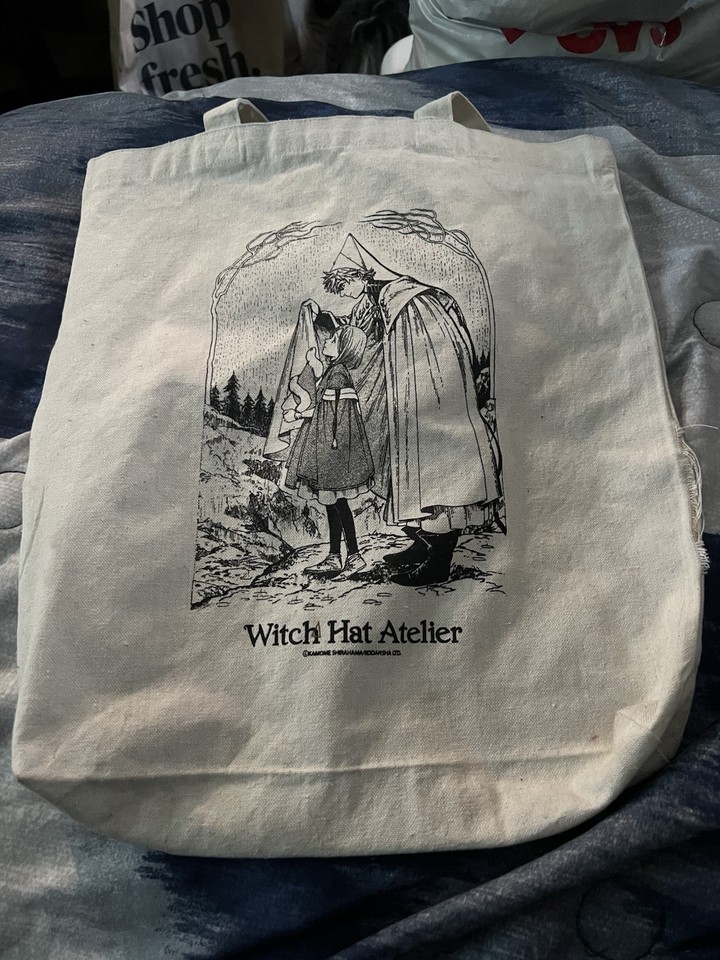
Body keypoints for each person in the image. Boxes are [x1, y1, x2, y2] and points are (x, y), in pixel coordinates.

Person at [318, 235, 502, 588]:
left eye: (344, 286)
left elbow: (425, 354)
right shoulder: (377, 302)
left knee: (432, 465)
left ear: (361, 276)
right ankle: (423, 543)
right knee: (405, 464)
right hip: (408, 394)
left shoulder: (408, 301)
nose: (343, 294)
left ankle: (439, 559)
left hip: (428, 396)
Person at [283, 325, 374, 577]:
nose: (326, 341)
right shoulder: (335, 371)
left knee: (339, 504)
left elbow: (327, 414)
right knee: (332, 503)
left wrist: (296, 414)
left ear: (343, 348)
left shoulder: (337, 374)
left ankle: (354, 556)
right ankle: (335, 556)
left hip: (332, 451)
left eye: (333, 339)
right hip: (330, 448)